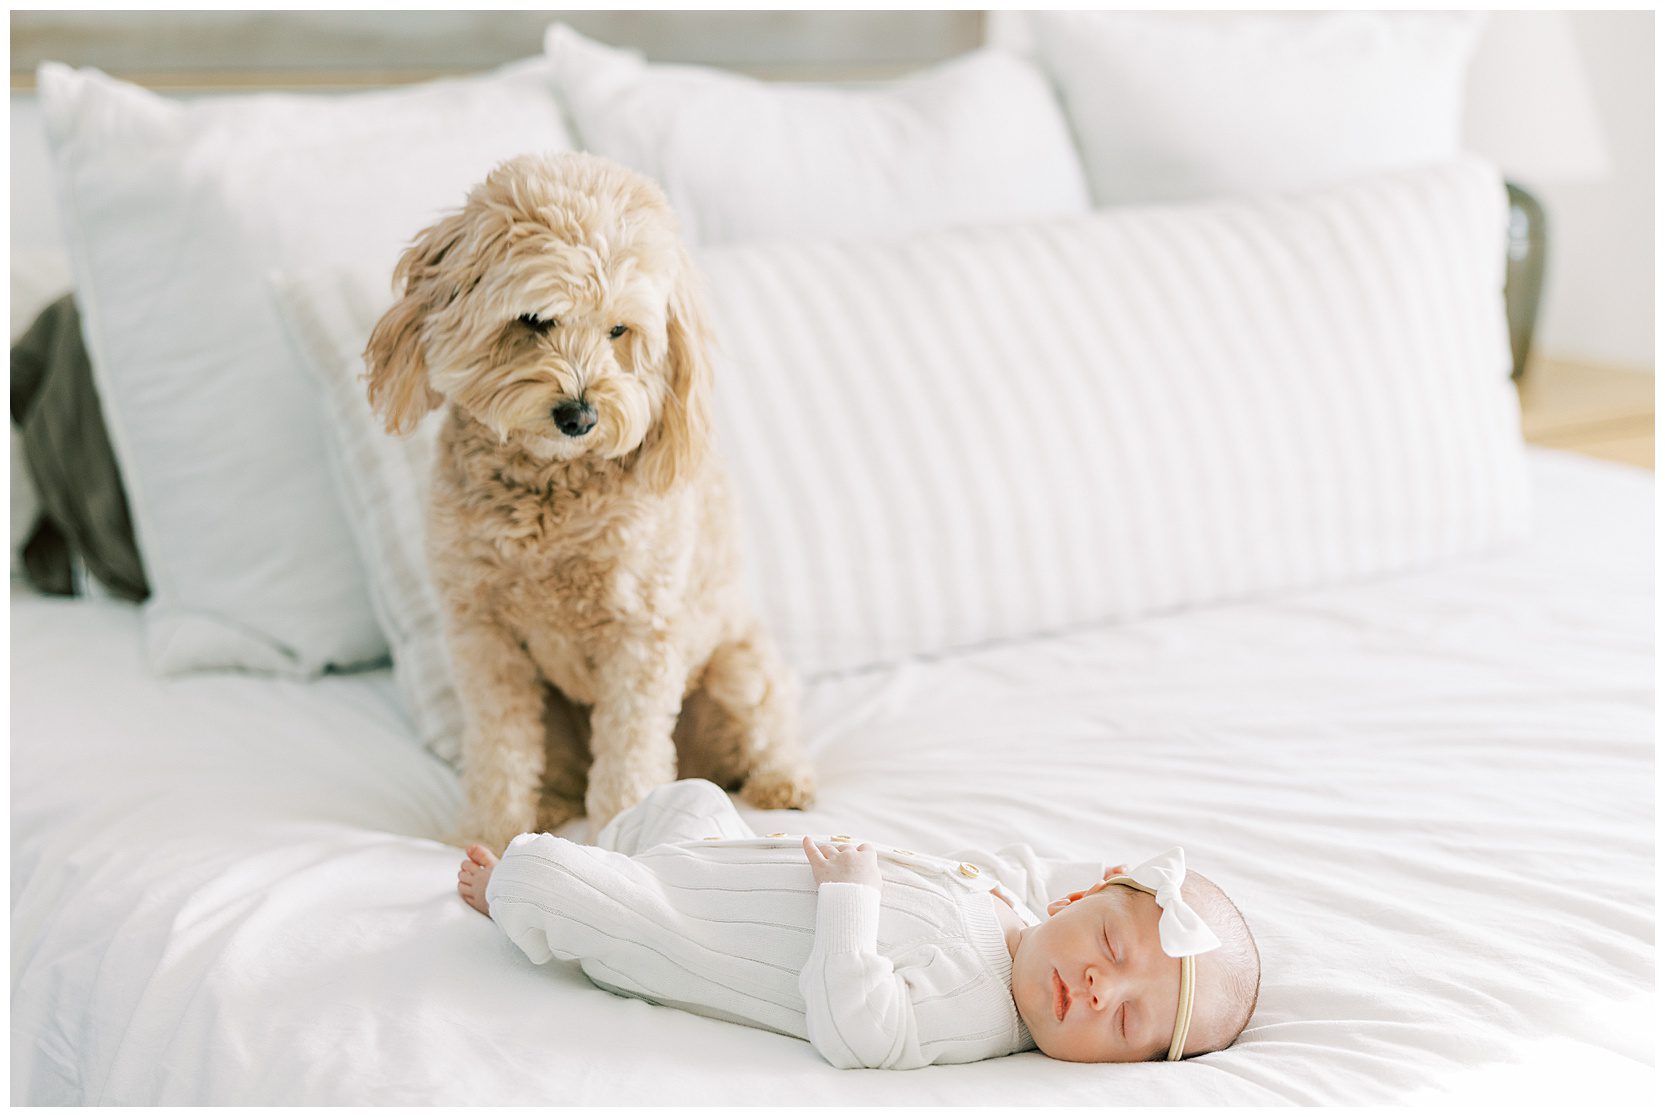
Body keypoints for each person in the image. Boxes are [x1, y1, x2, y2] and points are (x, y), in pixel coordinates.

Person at [456, 779, 1259, 1069]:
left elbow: (859, 1032)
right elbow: (1002, 871)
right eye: (1112, 946)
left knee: (552, 876)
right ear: (1071, 901)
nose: (1095, 985)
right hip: (724, 856)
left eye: (1124, 1018)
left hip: (679, 927)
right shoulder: (1015, 909)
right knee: (689, 796)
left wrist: (849, 904)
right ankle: (623, 842)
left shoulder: (974, 1011)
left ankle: (509, 895)